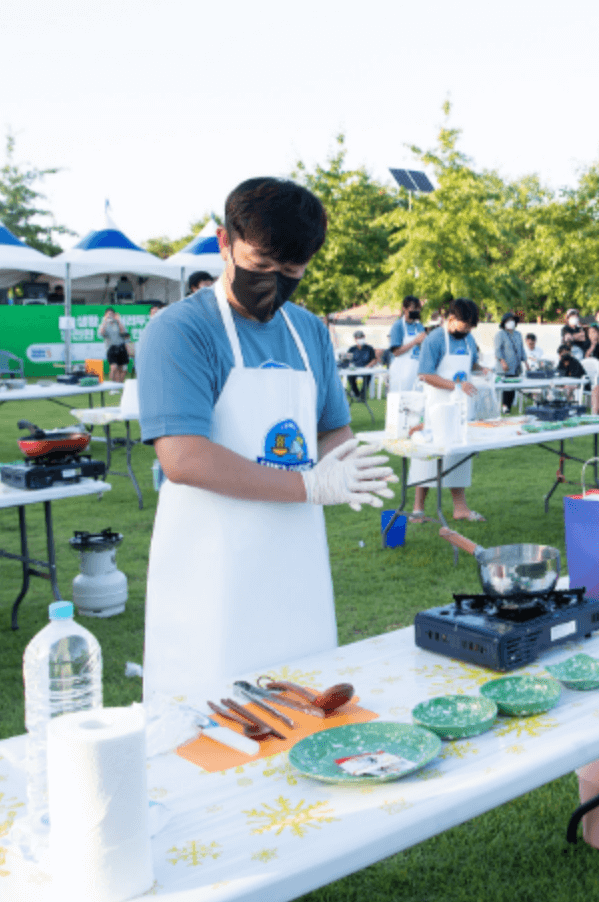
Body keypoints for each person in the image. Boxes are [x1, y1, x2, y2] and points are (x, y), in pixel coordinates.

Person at [137, 177, 395, 702]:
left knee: (302, 703)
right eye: (260, 267)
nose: (273, 284)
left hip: (294, 560)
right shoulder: (180, 331)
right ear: (223, 242)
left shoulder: (309, 331)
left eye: (291, 273)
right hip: (210, 566)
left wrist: (350, 468)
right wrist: (309, 486)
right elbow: (184, 457)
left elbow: (330, 429)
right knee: (213, 721)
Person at [409, 297, 488, 523]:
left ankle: (460, 508)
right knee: (427, 456)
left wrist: (483, 369)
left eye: (471, 327)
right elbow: (425, 373)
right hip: (436, 404)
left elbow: (471, 363)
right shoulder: (434, 339)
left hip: (462, 407)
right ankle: (417, 509)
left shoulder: (469, 339)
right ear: (451, 319)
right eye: (465, 327)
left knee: (458, 456)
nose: (468, 331)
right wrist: (455, 386)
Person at [388, 296, 426, 392]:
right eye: (413, 309)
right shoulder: (398, 326)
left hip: (416, 371)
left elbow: (424, 348)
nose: (416, 311)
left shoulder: (419, 326)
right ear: (404, 308)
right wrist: (414, 342)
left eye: (418, 309)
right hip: (401, 372)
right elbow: (396, 352)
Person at [493, 311, 526, 412]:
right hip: (505, 367)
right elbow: (497, 350)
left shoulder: (518, 334)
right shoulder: (500, 335)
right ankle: (504, 407)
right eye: (508, 321)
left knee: (513, 388)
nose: (511, 322)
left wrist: (525, 362)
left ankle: (509, 407)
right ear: (504, 323)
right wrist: (502, 362)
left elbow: (521, 349)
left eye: (512, 320)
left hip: (516, 366)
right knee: (506, 388)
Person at [97, 306, 130, 383]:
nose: (110, 316)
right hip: (111, 349)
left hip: (121, 347)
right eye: (108, 314)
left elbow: (123, 332)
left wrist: (118, 321)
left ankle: (119, 385)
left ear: (115, 315)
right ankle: (112, 386)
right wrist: (105, 322)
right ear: (105, 315)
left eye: (111, 314)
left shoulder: (119, 323)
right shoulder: (104, 324)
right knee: (114, 368)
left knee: (123, 369)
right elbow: (101, 333)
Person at [345, 330, 377, 400]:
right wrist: (350, 365)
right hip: (355, 369)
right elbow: (347, 360)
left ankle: (363, 395)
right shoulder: (352, 349)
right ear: (355, 339)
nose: (359, 339)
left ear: (364, 337)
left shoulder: (369, 348)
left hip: (365, 368)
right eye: (357, 338)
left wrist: (368, 366)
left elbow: (374, 360)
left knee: (368, 376)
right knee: (350, 377)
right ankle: (357, 394)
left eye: (361, 337)